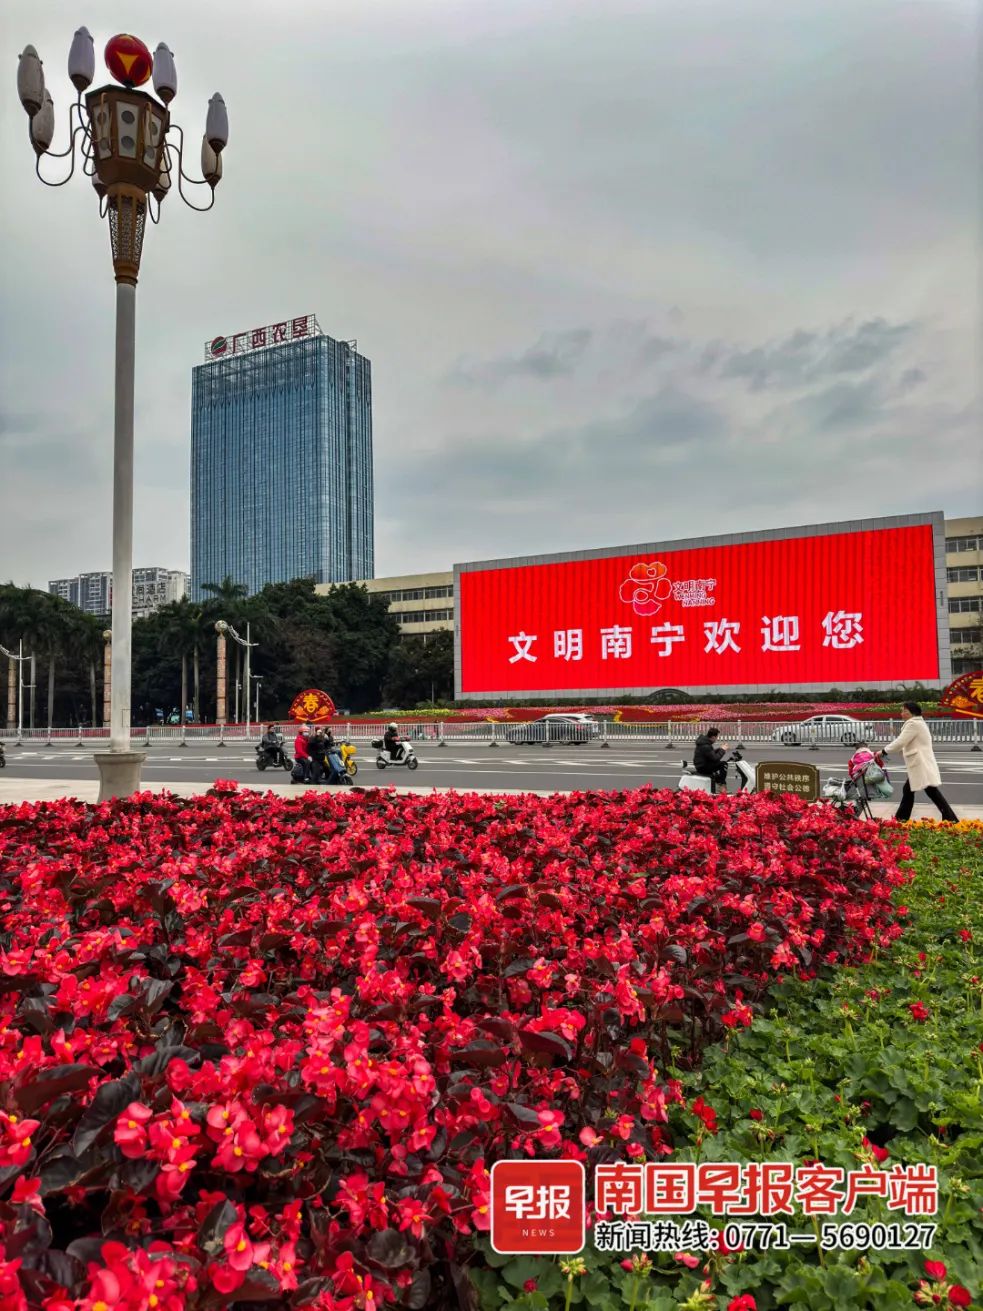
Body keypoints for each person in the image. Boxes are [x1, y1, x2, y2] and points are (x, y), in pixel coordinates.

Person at [885, 702, 958, 822]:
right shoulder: (917, 723)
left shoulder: (913, 724)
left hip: (920, 763)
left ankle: (950, 818)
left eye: (904, 711)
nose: (902, 713)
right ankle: (901, 818)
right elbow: (911, 742)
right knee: (911, 790)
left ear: (912, 713)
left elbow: (900, 741)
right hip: (920, 763)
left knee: (928, 791)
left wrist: (883, 751)